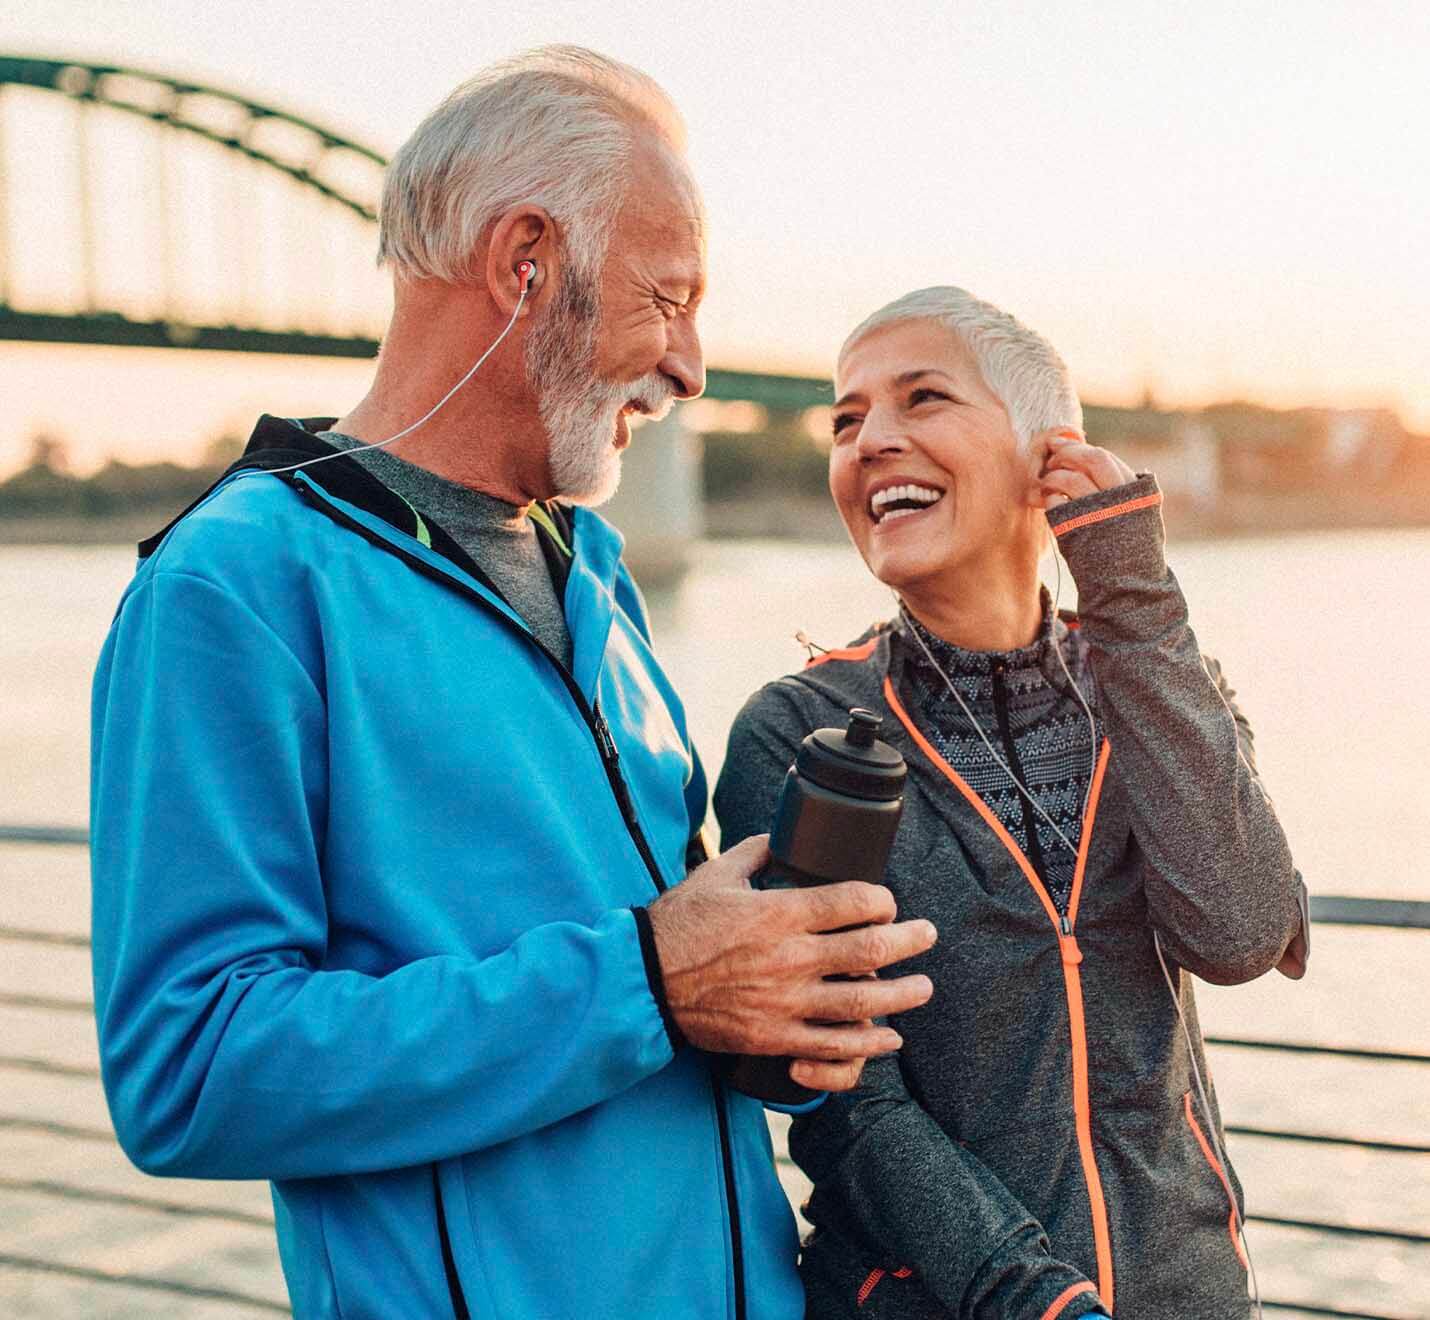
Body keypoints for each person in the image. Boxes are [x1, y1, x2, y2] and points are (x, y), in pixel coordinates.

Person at [89, 49, 937, 1320]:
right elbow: (190, 1066)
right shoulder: (236, 588)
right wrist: (647, 981)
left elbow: (670, 982)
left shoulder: (591, 566)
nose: (695, 369)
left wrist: (773, 1014)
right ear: (524, 260)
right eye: (669, 299)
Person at [714, 286, 1310, 1319]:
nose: (870, 442)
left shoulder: (1158, 676)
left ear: (1048, 456)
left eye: (922, 398)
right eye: (846, 421)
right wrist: (1033, 1302)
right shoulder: (800, 728)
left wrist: (1132, 594)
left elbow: (1238, 930)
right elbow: (837, 1096)